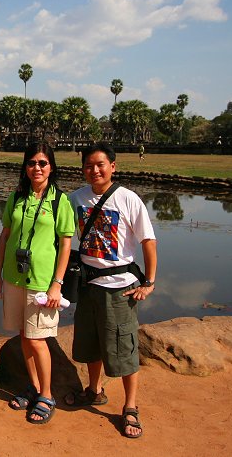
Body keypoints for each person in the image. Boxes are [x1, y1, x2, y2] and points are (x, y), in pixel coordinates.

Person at [66, 142, 157, 439]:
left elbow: (147, 241)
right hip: (88, 285)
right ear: (83, 169)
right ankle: (94, 389)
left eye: (100, 164)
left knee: (125, 348)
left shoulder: (128, 199)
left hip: (120, 288)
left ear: (113, 166)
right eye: (89, 165)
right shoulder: (75, 199)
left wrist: (149, 282)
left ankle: (131, 406)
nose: (94, 170)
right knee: (91, 343)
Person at [0, 141, 75, 425]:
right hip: (14, 277)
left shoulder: (59, 201)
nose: (36, 168)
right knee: (24, 336)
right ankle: (35, 387)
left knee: (38, 340)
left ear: (51, 167)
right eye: (31, 163)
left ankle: (47, 395)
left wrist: (57, 284)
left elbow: (66, 245)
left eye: (42, 163)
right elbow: (5, 236)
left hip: (42, 281)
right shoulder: (17, 198)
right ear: (25, 167)